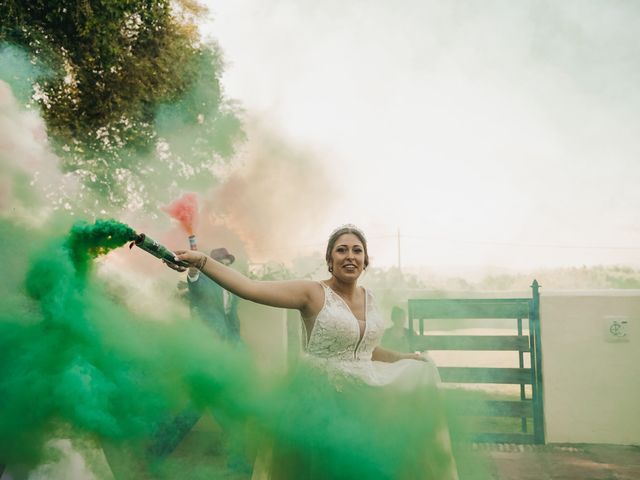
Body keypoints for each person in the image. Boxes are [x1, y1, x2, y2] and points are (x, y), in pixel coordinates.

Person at [165, 224, 458, 479]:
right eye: (341, 250)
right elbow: (249, 287)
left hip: (364, 401)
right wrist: (202, 261)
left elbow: (365, 348)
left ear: (365, 260)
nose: (350, 256)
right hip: (323, 401)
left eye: (357, 250)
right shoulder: (311, 292)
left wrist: (403, 359)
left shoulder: (371, 298)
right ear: (330, 260)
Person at [186, 247, 241, 343]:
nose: (225, 268)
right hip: (211, 334)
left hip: (231, 331)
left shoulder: (233, 282)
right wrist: (193, 273)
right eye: (221, 264)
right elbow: (196, 285)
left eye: (227, 264)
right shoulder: (206, 279)